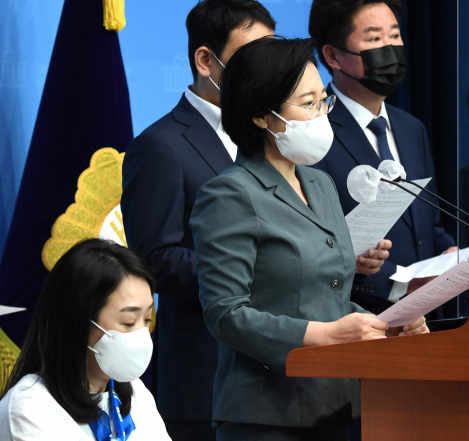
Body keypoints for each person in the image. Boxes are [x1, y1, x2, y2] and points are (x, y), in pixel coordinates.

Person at [190, 37, 428, 440]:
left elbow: (330, 297)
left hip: (336, 401)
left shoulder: (319, 183)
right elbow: (225, 314)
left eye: (324, 102)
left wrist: (387, 326)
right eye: (307, 104)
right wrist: (327, 335)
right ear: (261, 116)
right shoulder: (229, 193)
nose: (321, 115)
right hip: (265, 411)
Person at [121, 1, 276, 439]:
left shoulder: (273, 138)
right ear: (206, 60)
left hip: (281, 371)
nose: (264, 72)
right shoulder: (161, 145)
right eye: (250, 56)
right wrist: (256, 268)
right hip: (207, 371)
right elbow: (155, 258)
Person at [308, 0, 457, 316]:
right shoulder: (313, 133)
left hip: (423, 320)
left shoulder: (410, 128)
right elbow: (314, 249)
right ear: (332, 55)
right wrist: (395, 286)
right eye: (374, 39)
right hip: (355, 321)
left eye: (395, 36)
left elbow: (428, 224)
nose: (389, 49)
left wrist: (449, 255)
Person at [0, 239, 169, 440]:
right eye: (129, 321)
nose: (142, 334)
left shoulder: (135, 392)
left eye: (147, 319)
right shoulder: (29, 408)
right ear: (77, 322)